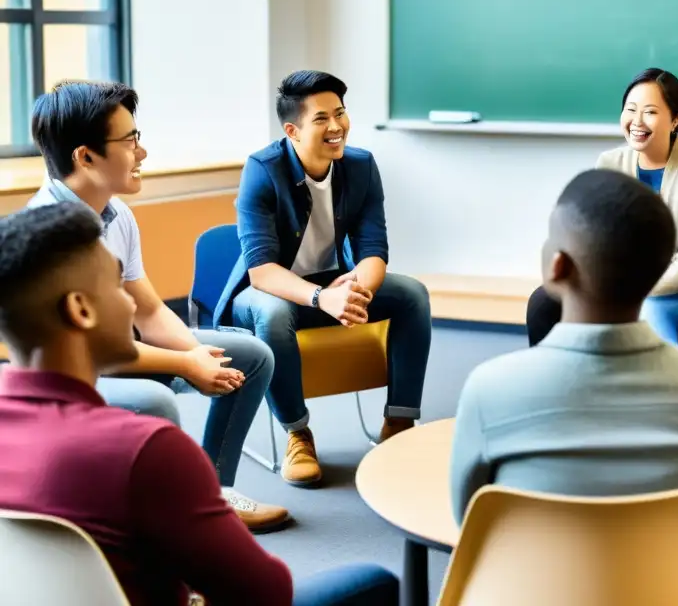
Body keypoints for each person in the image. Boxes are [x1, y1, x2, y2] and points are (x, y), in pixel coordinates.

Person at [0, 203, 400, 606]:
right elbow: (265, 593)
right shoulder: (147, 450)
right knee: (373, 583)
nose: (131, 303)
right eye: (118, 286)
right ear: (80, 310)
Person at [27, 81, 288, 532]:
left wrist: (195, 354)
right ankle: (175, 522)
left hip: (114, 351)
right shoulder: (51, 233)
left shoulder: (115, 214)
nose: (142, 153)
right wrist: (186, 364)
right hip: (69, 376)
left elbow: (147, 311)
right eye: (129, 142)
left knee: (251, 356)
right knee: (155, 400)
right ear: (85, 157)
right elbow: (92, 354)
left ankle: (214, 495)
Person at [450, 169, 678, 521]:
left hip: (535, 576)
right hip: (672, 576)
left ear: (556, 266)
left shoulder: (489, 388)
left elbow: (467, 516)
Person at [215, 70, 432, 487]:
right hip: (265, 295)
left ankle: (399, 424)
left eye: (341, 114)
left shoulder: (361, 166)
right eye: (321, 119)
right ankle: (298, 433)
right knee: (276, 315)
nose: (336, 127)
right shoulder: (262, 170)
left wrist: (356, 288)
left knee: (412, 295)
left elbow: (373, 250)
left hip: (332, 286)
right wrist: (320, 297)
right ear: (292, 130)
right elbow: (261, 271)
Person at [526, 68, 678, 348]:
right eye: (630, 109)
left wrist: (623, 290)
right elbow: (598, 240)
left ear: (675, 120)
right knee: (543, 302)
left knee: (647, 316)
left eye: (650, 112)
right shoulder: (609, 163)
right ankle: (560, 385)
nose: (637, 121)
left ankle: (652, 389)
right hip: (623, 283)